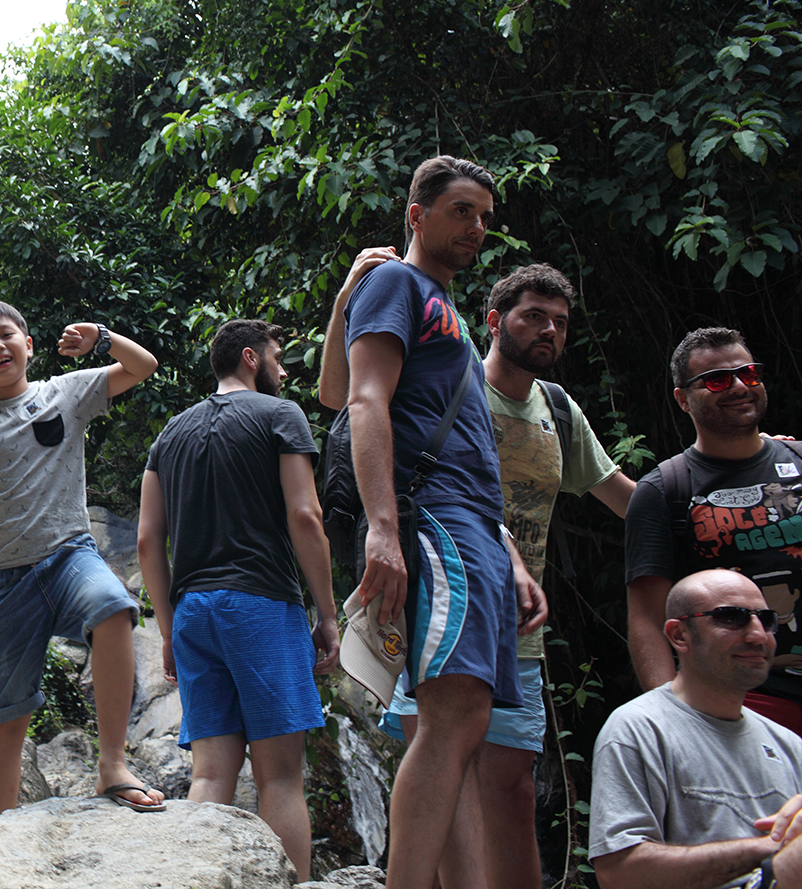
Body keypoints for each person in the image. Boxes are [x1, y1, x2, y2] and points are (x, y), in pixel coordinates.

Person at [322, 260, 635, 887]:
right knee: (450, 753)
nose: (549, 330)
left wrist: (705, 494)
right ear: (493, 322)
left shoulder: (558, 410)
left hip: (513, 615)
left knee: (513, 786)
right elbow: (349, 395)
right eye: (533, 317)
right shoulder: (444, 375)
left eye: (560, 322)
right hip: (444, 576)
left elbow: (622, 495)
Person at [324, 155, 544, 889]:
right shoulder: (400, 283)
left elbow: (333, 387)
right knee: (454, 717)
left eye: (485, 215)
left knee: (458, 725)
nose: (477, 227)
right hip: (437, 523)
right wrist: (382, 529)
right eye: (460, 210)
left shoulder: (440, 306)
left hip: (472, 528)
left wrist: (506, 548)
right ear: (416, 215)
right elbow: (356, 399)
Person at [0, 300, 165, 821]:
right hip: (3, 579)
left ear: (29, 345)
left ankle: (112, 765)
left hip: (69, 556)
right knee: (8, 715)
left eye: (6, 335)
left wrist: (102, 338)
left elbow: (143, 367)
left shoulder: (65, 393)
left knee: (113, 607)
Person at [137, 319, 340, 881]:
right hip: (262, 606)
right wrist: (326, 614)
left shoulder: (170, 435)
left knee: (209, 777)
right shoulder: (281, 417)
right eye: (278, 359)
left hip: (194, 614)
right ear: (251, 358)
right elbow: (305, 515)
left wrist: (169, 627)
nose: (283, 371)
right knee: (279, 778)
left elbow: (148, 540)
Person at [626, 327, 802, 733]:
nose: (740, 386)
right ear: (683, 399)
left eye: (749, 374)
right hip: (747, 698)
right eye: (718, 380)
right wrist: (672, 722)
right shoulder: (663, 490)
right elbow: (648, 619)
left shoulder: (797, 458)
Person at [590, 569, 802, 889]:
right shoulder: (640, 729)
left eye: (767, 620)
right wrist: (773, 850)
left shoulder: (788, 744)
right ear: (679, 635)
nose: (758, 635)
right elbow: (619, 872)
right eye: (732, 618)